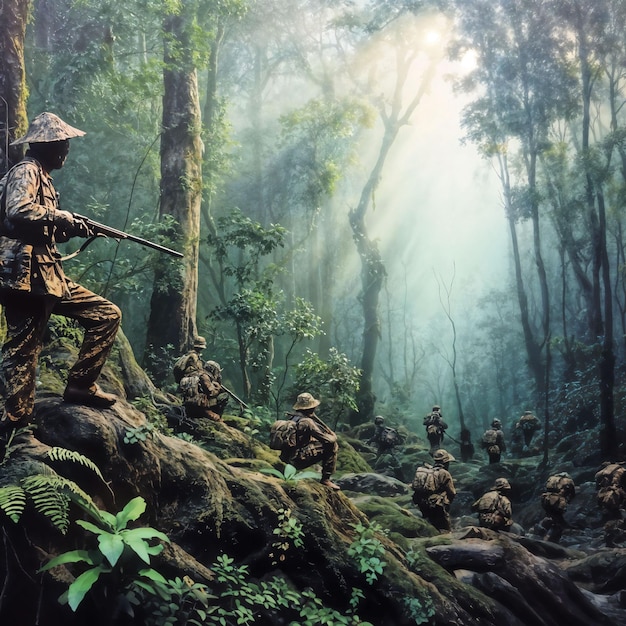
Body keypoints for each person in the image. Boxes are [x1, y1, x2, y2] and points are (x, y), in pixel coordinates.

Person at [0, 112, 121, 436]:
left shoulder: (44, 176)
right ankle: (15, 422)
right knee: (22, 349)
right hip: (23, 274)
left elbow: (43, 227)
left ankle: (81, 385)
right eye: (62, 143)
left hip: (47, 274)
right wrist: (63, 217)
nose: (66, 149)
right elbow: (18, 210)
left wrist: (72, 229)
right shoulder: (26, 171)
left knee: (106, 314)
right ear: (48, 146)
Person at [280, 392, 340, 490]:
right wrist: (333, 436)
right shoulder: (307, 422)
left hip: (286, 457)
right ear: (310, 408)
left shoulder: (294, 417)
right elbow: (328, 440)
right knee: (333, 445)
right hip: (297, 460)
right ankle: (326, 479)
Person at [172, 337, 226, 422]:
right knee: (223, 399)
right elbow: (210, 391)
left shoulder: (188, 361)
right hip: (199, 407)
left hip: (188, 403)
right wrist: (218, 389)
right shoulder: (202, 374)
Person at [411, 449, 456, 532]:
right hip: (437, 505)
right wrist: (447, 503)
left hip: (422, 503)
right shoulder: (444, 473)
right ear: (446, 462)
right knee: (444, 529)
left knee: (429, 527)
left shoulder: (427, 471)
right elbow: (452, 492)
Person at [595, 461, 626, 547]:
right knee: (617, 517)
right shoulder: (621, 470)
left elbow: (597, 487)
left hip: (602, 495)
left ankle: (609, 537)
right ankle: (611, 538)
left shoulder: (600, 473)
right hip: (614, 495)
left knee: (611, 515)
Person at [540, 472, 576, 543]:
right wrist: (568, 501)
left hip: (545, 498)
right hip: (557, 500)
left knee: (552, 515)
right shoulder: (568, 481)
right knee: (557, 519)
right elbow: (573, 493)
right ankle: (550, 536)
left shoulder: (551, 478)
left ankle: (548, 531)